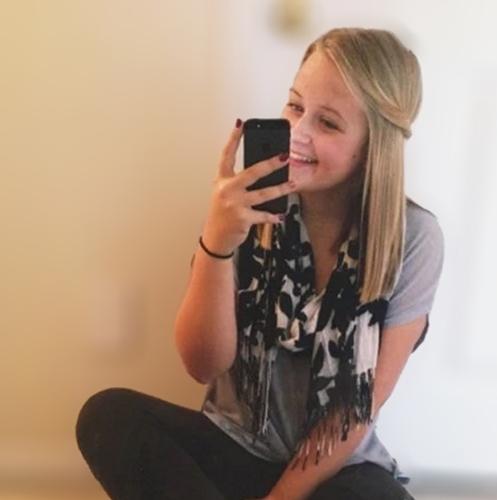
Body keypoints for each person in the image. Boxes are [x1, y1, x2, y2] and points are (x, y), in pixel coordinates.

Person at [76, 27, 444, 500]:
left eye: (328, 123)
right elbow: (203, 365)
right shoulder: (247, 207)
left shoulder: (412, 238)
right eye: (295, 106)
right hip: (231, 448)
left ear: (376, 144)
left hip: (331, 470)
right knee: (109, 417)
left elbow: (357, 410)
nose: (298, 133)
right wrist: (217, 243)